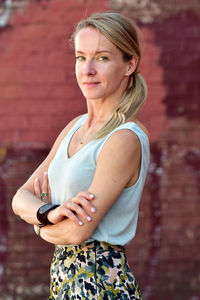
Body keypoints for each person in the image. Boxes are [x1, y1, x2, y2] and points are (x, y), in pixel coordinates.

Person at [12, 11, 150, 299]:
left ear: (129, 65)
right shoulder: (74, 127)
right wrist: (49, 213)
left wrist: (38, 225)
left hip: (101, 284)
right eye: (80, 57)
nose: (87, 70)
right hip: (64, 281)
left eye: (102, 58)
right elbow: (20, 198)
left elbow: (77, 234)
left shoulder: (123, 138)